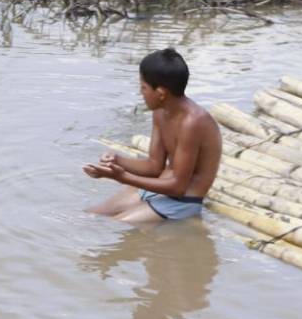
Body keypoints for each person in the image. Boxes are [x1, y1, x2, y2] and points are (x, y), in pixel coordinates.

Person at [84, 48, 221, 224]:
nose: (141, 94)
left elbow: (178, 187)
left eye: (144, 88)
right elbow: (154, 166)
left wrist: (121, 177)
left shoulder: (192, 123)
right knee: (90, 216)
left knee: (114, 224)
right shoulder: (160, 112)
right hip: (159, 188)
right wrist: (116, 161)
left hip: (182, 201)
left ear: (161, 93)